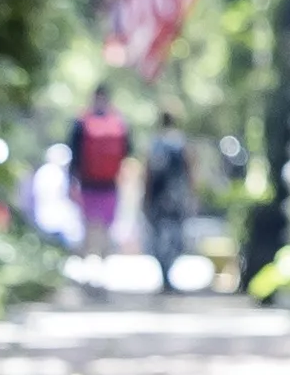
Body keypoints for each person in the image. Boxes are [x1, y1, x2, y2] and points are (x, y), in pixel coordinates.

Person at [68, 88, 131, 252]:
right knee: (106, 227)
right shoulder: (119, 122)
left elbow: (74, 153)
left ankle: (89, 263)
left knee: (88, 225)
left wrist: (71, 181)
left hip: (87, 182)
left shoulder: (82, 121)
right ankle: (103, 261)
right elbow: (127, 151)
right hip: (110, 183)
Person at [142, 117, 197, 278]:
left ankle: (164, 271)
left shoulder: (154, 144)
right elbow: (190, 171)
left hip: (158, 198)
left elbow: (147, 173)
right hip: (177, 197)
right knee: (175, 235)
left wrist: (146, 197)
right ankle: (169, 269)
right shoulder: (181, 143)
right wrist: (192, 195)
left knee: (158, 235)